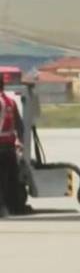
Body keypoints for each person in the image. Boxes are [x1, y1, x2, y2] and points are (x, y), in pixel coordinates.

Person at [0, 78, 25, 218]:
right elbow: (19, 126)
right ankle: (14, 207)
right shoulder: (11, 102)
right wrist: (21, 142)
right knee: (10, 179)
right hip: (9, 148)